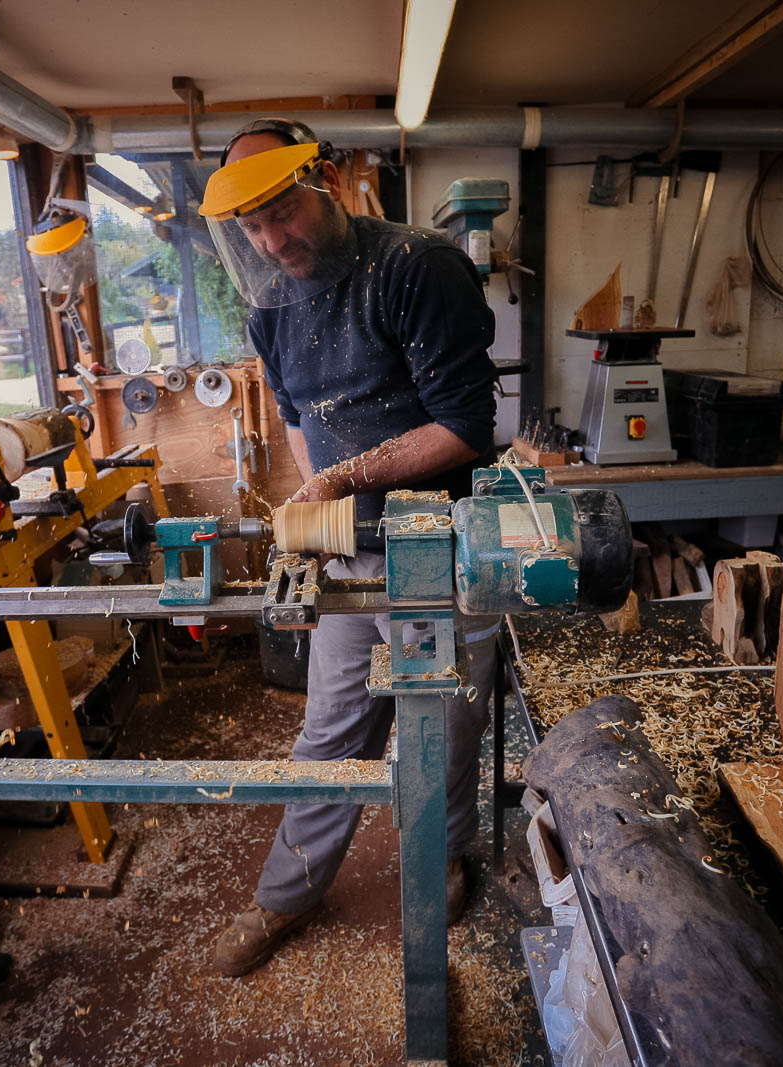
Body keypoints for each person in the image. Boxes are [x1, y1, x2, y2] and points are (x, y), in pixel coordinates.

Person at [197, 118, 500, 977]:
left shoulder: (415, 265)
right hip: (350, 553)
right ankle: (286, 895)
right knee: (329, 732)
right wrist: (312, 526)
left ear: (324, 181)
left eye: (281, 212)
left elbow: (464, 427)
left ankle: (437, 860)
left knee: (437, 722)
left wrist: (340, 483)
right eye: (251, 226)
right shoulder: (270, 303)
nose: (271, 238)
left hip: (433, 546)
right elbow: (299, 421)